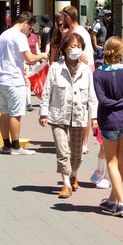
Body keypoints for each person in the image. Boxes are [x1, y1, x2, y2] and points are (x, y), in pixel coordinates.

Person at [40, 32, 98, 199]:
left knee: (77, 153)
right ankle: (66, 183)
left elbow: (92, 96)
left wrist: (94, 117)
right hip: (58, 115)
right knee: (62, 151)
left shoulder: (86, 70)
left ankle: (73, 174)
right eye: (72, 46)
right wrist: (43, 113)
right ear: (65, 49)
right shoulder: (55, 68)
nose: (75, 50)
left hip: (79, 116)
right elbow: (47, 92)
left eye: (78, 47)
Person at [93, 36, 123, 216]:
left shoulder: (98, 73)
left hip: (109, 121)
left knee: (111, 161)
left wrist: (116, 103)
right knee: (120, 160)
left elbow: (102, 100)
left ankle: (121, 202)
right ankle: (112, 199)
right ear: (122, 52)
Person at [0, 11, 48, 154]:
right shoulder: (19, 36)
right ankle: (16, 146)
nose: (29, 32)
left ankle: (6, 145)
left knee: (5, 112)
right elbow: (30, 59)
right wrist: (43, 55)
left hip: (1, 79)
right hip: (14, 79)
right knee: (15, 114)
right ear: (25, 23)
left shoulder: (4, 34)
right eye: (30, 28)